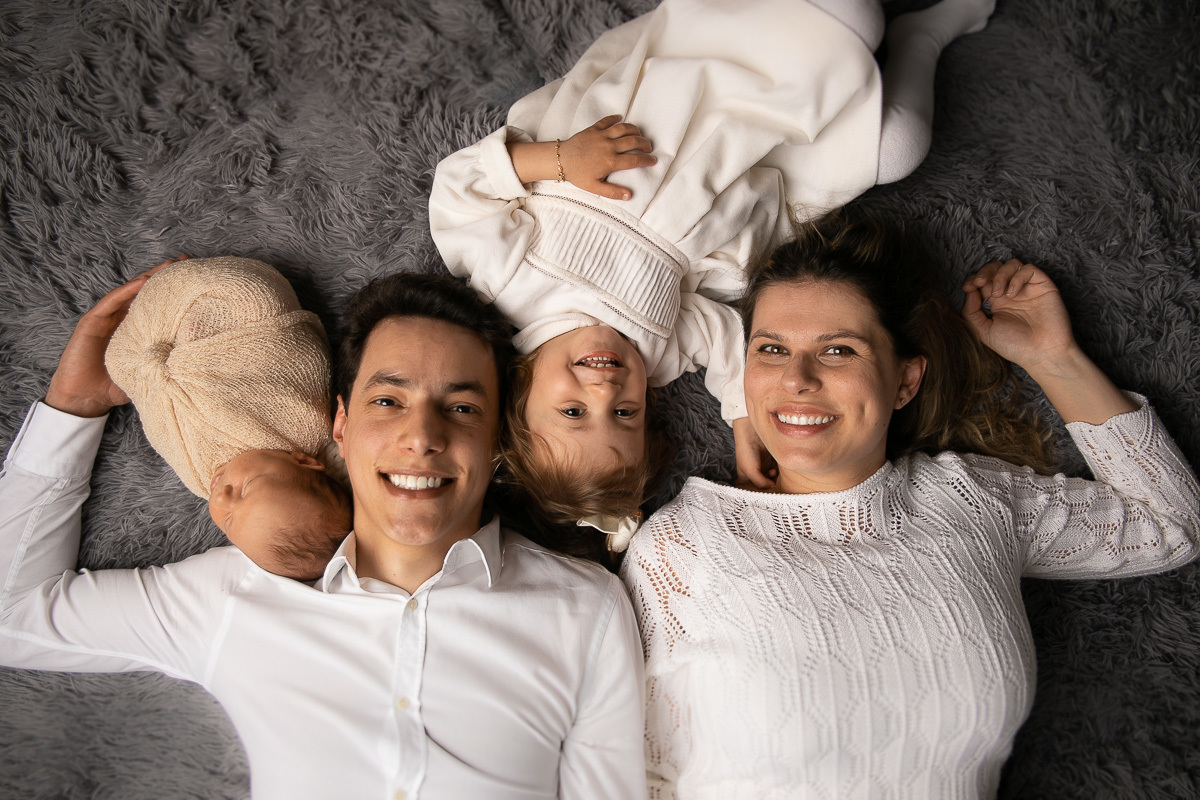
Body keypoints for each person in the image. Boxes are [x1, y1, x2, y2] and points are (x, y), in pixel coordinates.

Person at [0, 268, 647, 800]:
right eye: (388, 401)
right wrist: (70, 410)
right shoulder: (230, 598)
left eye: (461, 407)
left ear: (496, 438)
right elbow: (13, 613)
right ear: (338, 425)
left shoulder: (585, 609)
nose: (422, 436)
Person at [619, 214, 1200, 798]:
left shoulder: (971, 502)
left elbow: (1168, 524)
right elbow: (628, 775)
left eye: (838, 350)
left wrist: (1054, 357)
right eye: (771, 349)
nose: (796, 379)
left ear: (905, 381)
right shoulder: (681, 549)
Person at [429, 0, 997, 554]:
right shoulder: (655, 353)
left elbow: (459, 189)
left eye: (573, 412)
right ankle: (921, 39)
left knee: (847, 18)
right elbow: (727, 336)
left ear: (521, 398)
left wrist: (557, 160)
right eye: (625, 415)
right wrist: (743, 417)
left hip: (659, 120)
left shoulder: (507, 290)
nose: (604, 391)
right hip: (740, 183)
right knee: (896, 143)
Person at [104, 254, 352, 580]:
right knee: (255, 298)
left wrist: (155, 386)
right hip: (240, 332)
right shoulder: (305, 427)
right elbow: (299, 367)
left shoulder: (198, 478)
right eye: (245, 488)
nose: (221, 496)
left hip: (157, 360)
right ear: (304, 462)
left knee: (122, 362)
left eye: (228, 522)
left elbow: (166, 427)